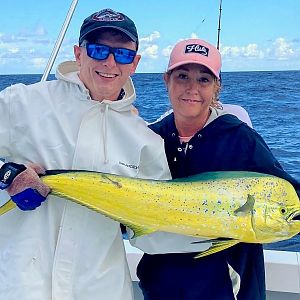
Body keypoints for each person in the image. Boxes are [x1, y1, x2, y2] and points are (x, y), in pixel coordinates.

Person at [0, 8, 171, 300]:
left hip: (100, 290)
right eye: (97, 50)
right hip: (20, 286)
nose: (110, 61)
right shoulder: (23, 102)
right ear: (79, 54)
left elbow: (158, 234)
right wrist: (7, 174)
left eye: (123, 54)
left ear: (135, 63)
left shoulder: (146, 141)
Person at [131, 38, 300, 299]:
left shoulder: (241, 139)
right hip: (160, 287)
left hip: (226, 290)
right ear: (166, 80)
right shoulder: (147, 138)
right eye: (182, 76)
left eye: (204, 79)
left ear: (216, 86)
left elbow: (289, 196)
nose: (192, 88)